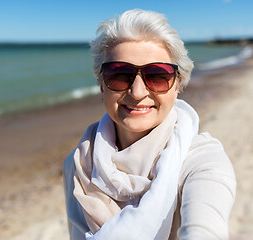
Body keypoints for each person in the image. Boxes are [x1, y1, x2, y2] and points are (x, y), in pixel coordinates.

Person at [63, 9, 236, 240]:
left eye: (157, 76)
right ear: (102, 85)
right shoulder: (78, 164)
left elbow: (205, 228)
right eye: (120, 75)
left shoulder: (201, 160)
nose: (137, 92)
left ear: (177, 85)